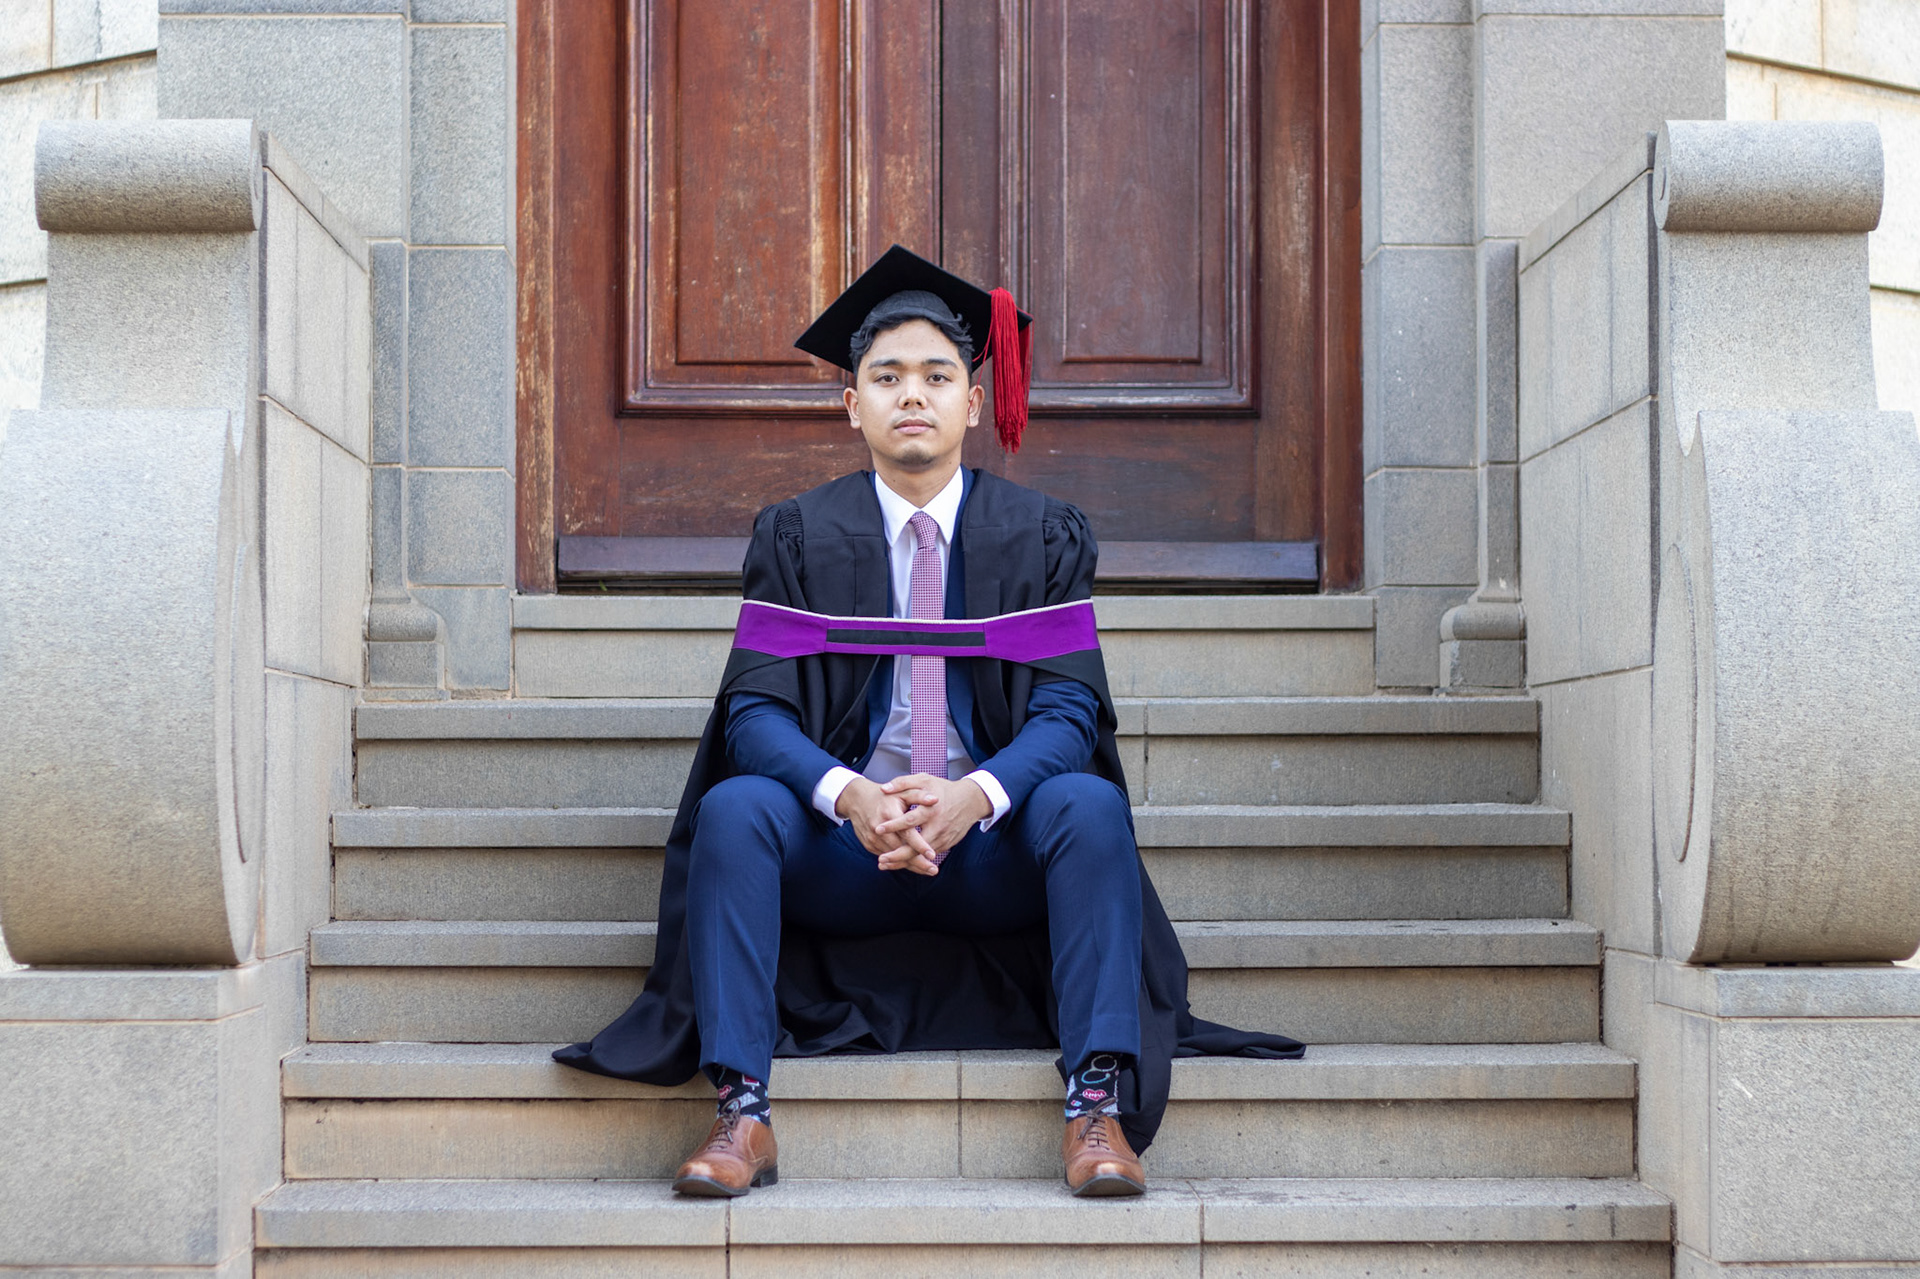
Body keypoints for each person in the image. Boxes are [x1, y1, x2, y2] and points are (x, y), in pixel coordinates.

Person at [555, 246, 1302, 1198]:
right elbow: (753, 714)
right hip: (845, 853)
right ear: (851, 404)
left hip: (989, 852)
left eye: (938, 376)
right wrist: (852, 797)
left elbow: (1070, 710)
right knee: (736, 807)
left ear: (974, 403)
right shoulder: (795, 534)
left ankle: (1095, 1107)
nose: (913, 394)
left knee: (1087, 804)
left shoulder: (1041, 534)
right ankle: (742, 1110)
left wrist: (974, 796)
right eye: (887, 377)